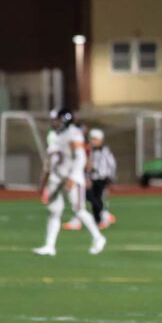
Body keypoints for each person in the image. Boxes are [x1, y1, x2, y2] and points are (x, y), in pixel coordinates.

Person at [33, 108, 106, 256]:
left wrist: (73, 177)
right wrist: (44, 183)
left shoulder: (73, 134)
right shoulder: (56, 135)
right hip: (58, 176)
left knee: (78, 210)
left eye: (58, 120)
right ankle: (49, 246)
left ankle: (98, 238)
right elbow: (51, 162)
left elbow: (80, 157)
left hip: (73, 177)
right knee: (54, 211)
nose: (55, 123)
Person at [87, 128, 117, 229]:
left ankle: (104, 216)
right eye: (92, 139)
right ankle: (98, 219)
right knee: (91, 197)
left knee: (99, 198)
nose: (93, 141)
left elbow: (112, 164)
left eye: (95, 139)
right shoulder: (90, 151)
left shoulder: (105, 151)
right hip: (93, 178)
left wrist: (111, 177)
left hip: (102, 178)